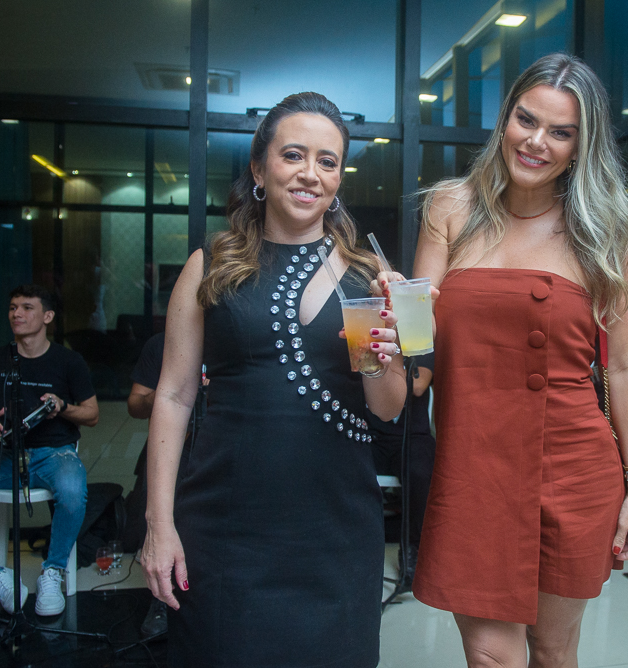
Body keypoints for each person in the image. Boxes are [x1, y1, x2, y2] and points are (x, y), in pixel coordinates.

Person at [139, 92, 408, 667]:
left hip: (335, 531)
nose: (311, 173)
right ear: (260, 170)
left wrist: (385, 356)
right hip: (226, 529)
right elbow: (174, 395)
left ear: (339, 178)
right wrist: (159, 524)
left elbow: (388, 409)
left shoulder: (370, 276)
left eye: (328, 161)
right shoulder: (209, 266)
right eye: (293, 155)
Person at [408, 53, 628, 667]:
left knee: (552, 650)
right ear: (505, 118)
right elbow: (417, 348)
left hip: (573, 467)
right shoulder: (449, 208)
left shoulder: (607, 229)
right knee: (491, 656)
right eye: (526, 119)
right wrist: (388, 334)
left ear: (580, 146)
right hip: (474, 467)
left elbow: (624, 364)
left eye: (560, 132)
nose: (537, 142)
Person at [0, 285, 99, 618]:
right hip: (3, 454)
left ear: (47, 316)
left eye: (27, 307)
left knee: (73, 493)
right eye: (13, 307)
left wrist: (63, 407)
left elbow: (92, 415)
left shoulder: (68, 361)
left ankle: (52, 572)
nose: (17, 313)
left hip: (54, 452)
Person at [124, 331, 207, 637]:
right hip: (176, 447)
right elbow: (135, 405)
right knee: (164, 515)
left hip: (221, 446)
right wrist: (168, 391)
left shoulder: (237, 331)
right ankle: (161, 599)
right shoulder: (161, 343)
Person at [364, 352, 435, 589]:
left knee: (420, 472)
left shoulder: (421, 345)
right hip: (372, 434)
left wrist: (383, 367)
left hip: (412, 436)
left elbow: (419, 385)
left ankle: (412, 549)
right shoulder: (369, 341)